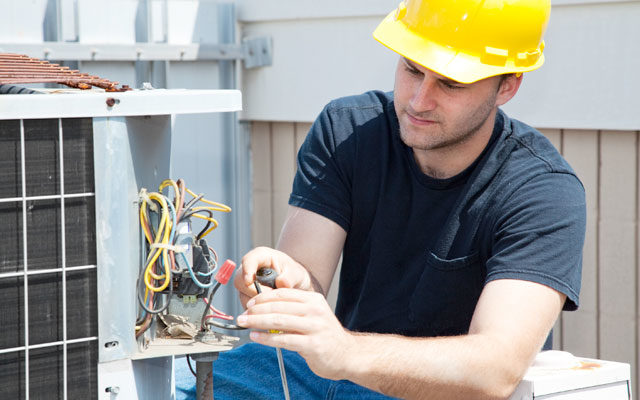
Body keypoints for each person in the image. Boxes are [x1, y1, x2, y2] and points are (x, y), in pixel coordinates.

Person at [176, 0, 586, 398]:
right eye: (411, 68)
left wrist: (344, 351)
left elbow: (495, 370)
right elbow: (306, 279)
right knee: (166, 384)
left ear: (507, 86)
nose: (418, 100)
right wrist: (290, 281)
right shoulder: (347, 131)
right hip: (324, 374)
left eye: (451, 83)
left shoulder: (543, 190)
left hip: (439, 394)